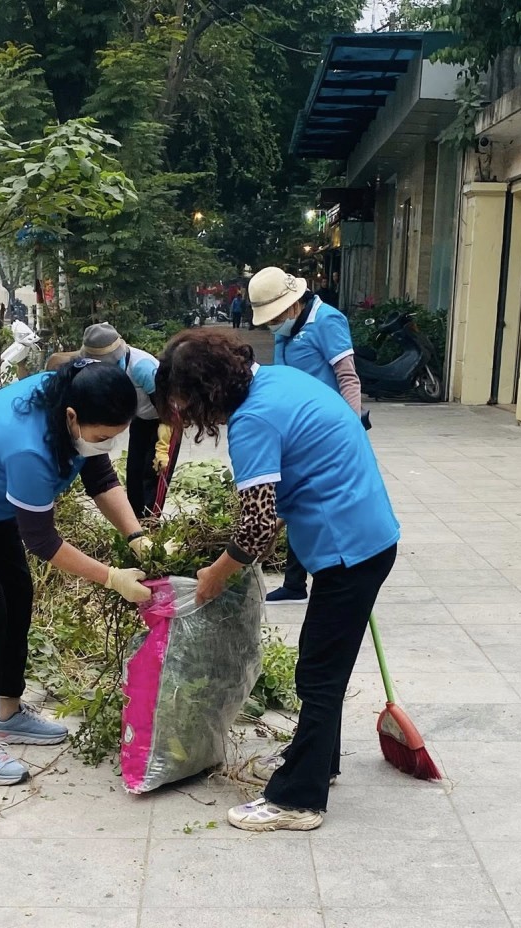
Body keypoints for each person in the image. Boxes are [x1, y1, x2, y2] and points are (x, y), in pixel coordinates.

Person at [154, 329, 400, 832]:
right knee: (322, 662)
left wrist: (216, 574)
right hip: (363, 535)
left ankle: (298, 800)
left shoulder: (254, 421)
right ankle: (319, 762)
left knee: (318, 674)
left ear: (208, 393)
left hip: (347, 549)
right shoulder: (281, 380)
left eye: (187, 403)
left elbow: (257, 526)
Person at [0, 359, 154, 785]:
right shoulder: (29, 447)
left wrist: (137, 536)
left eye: (116, 437)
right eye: (103, 437)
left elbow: (100, 477)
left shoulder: (74, 398)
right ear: (73, 419)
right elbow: (43, 542)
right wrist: (113, 577)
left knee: (17, 595)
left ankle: (7, 712)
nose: (107, 445)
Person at [249, 266, 366, 606]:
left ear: (293, 302)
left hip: (326, 431)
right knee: (296, 502)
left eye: (275, 316)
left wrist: (350, 430)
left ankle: (335, 572)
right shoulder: (284, 328)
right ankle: (295, 582)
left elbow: (348, 378)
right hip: (294, 430)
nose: (273, 323)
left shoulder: (327, 320)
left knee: (320, 505)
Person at [80, 323, 169, 519]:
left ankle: (151, 523)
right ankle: (135, 521)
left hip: (164, 421)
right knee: (134, 471)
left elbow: (168, 410)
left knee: (153, 473)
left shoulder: (141, 367)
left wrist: (163, 446)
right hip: (141, 419)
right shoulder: (103, 367)